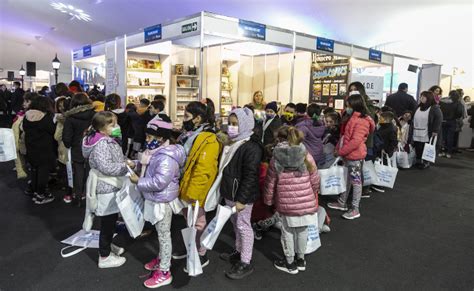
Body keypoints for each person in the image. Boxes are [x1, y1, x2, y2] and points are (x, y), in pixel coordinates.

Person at [127, 119, 186, 288]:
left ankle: (165, 271)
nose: (147, 139)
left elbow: (160, 181)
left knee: (163, 235)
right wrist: (136, 164)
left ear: (161, 138)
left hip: (162, 200)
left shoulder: (166, 157)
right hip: (155, 198)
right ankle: (161, 259)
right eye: (146, 135)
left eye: (150, 136)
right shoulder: (156, 152)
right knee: (161, 233)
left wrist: (139, 181)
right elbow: (150, 167)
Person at [209, 107, 262, 279]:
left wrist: (242, 199)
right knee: (235, 224)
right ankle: (238, 251)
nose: (231, 127)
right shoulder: (232, 143)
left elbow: (250, 176)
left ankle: (245, 261)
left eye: (235, 124)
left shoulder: (251, 147)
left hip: (241, 197)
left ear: (245, 125)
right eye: (230, 123)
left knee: (243, 226)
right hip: (230, 194)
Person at [263, 126, 320, 274]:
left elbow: (270, 182)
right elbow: (315, 177)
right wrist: (313, 192)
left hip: (286, 202)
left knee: (287, 231)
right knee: (303, 230)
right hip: (305, 199)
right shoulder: (305, 153)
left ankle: (289, 262)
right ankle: (301, 259)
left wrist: (268, 201)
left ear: (280, 139)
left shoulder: (276, 157)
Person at [175, 101, 221, 270]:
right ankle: (190, 247)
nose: (183, 119)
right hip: (186, 184)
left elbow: (204, 169)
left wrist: (193, 193)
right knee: (190, 220)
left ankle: (200, 254)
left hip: (196, 188)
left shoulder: (208, 139)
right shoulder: (190, 134)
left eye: (187, 116)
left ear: (198, 118)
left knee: (198, 221)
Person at [82, 111, 127, 269]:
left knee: (110, 220)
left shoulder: (103, 140)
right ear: (102, 128)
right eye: (112, 124)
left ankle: (107, 246)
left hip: (108, 184)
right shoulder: (102, 143)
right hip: (106, 186)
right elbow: (106, 166)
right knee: (108, 222)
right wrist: (126, 166)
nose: (117, 127)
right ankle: (104, 256)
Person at [327, 94, 375, 219]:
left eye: (348, 105)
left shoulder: (362, 121)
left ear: (354, 105)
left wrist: (341, 151)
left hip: (354, 156)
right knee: (348, 179)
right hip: (349, 155)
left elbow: (355, 141)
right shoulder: (353, 118)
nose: (346, 108)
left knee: (356, 182)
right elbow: (345, 136)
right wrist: (339, 149)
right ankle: (342, 202)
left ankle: (355, 208)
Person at [63, 92, 96, 206]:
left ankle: (78, 196)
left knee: (78, 171)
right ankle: (90, 196)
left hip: (77, 147)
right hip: (93, 146)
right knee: (91, 171)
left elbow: (66, 138)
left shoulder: (70, 118)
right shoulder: (95, 115)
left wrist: (69, 145)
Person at [22, 96, 56, 204]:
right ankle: (40, 195)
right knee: (43, 172)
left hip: (31, 147)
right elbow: (52, 131)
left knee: (34, 170)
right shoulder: (45, 117)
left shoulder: (26, 116)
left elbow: (25, 129)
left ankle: (34, 190)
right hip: (44, 149)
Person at [409, 91, 442, 169]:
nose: (421, 98)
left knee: (426, 147)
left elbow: (439, 119)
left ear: (429, 98)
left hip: (427, 131)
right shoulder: (418, 107)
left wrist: (435, 130)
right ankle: (418, 160)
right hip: (416, 131)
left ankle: (426, 162)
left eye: (423, 97)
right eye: (421, 97)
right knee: (418, 146)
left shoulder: (434, 108)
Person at [54, 96, 73, 203]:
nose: (60, 108)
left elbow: (57, 136)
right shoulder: (78, 117)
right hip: (77, 149)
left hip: (64, 149)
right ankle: (79, 192)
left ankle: (68, 194)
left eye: (62, 106)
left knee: (66, 173)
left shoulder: (61, 120)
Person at [439, 90, 464, 158]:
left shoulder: (442, 101)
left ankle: (441, 151)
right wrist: (455, 117)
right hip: (452, 121)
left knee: (442, 137)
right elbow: (459, 113)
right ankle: (448, 153)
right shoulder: (458, 103)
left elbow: (439, 111)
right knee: (450, 137)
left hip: (443, 121)